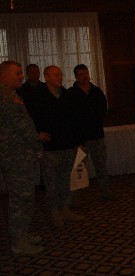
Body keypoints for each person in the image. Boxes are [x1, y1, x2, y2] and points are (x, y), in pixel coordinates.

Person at [28, 65, 84, 228]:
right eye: (56, 75)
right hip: (48, 148)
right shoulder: (36, 96)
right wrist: (37, 136)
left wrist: (76, 142)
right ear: (46, 77)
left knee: (65, 180)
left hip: (66, 145)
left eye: (61, 74)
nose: (60, 77)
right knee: (51, 184)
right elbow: (29, 120)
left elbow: (74, 120)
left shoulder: (66, 95)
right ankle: (54, 213)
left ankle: (65, 209)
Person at [0, 60, 43, 255]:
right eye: (17, 73)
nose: (22, 76)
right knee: (20, 198)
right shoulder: (5, 97)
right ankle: (18, 242)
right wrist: (37, 146)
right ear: (4, 76)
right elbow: (23, 127)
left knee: (24, 197)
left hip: (19, 155)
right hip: (16, 157)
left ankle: (22, 233)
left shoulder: (10, 94)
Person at [67, 64, 110, 200]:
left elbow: (103, 110)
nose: (85, 76)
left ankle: (105, 192)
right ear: (76, 77)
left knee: (101, 166)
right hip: (80, 140)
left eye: (86, 73)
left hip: (97, 136)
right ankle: (75, 198)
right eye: (81, 74)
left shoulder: (97, 92)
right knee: (79, 169)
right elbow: (69, 118)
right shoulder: (71, 94)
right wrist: (75, 140)